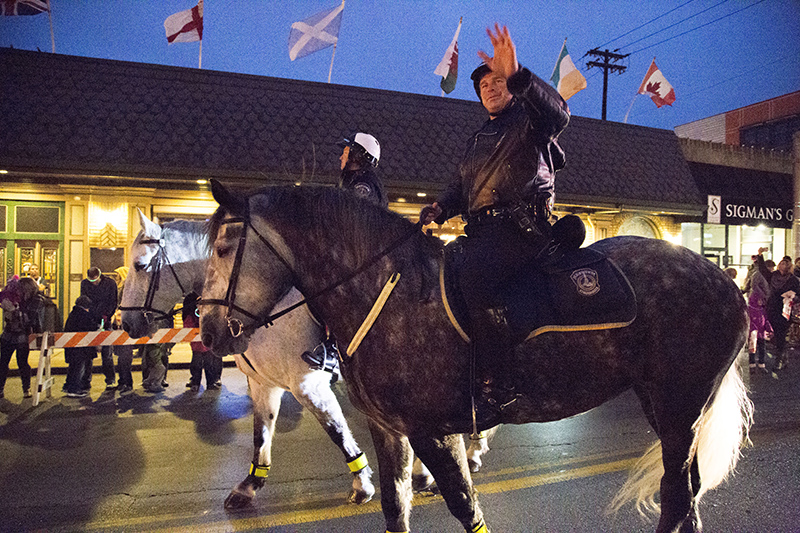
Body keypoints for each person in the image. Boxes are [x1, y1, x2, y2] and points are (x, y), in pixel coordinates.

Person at [420, 24, 570, 413]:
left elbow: (559, 114)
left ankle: (500, 380)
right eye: (483, 83)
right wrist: (440, 208)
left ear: (511, 85)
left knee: (474, 275)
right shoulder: (476, 138)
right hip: (483, 231)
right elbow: (460, 187)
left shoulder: (529, 121)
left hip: (521, 229)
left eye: (497, 79)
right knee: (441, 269)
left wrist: (519, 76)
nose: (489, 86)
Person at [0, 277, 44, 399]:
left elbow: (28, 319)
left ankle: (26, 388)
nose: (18, 292)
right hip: (9, 333)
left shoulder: (36, 300)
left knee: (22, 362)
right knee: (3, 362)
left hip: (22, 335)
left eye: (20, 289)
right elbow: (9, 318)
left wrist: (13, 310)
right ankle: (0, 389)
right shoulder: (18, 298)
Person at [757, 248, 800, 372]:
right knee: (775, 334)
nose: (781, 265)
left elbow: (798, 294)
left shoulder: (792, 280)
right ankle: (783, 356)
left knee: (781, 333)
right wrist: (760, 255)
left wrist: (793, 297)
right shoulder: (773, 276)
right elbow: (763, 270)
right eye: (781, 263)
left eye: (784, 264)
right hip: (772, 307)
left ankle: (779, 359)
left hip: (784, 309)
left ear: (788, 267)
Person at [80, 267, 119, 391]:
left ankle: (110, 380)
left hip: (105, 319)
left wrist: (107, 315)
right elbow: (84, 300)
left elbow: (113, 301)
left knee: (107, 353)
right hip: (90, 320)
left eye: (95, 280)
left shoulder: (110, 283)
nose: (93, 283)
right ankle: (86, 380)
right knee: (88, 353)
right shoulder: (85, 284)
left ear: (100, 276)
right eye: (91, 281)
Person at [182, 292, 222, 392]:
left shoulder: (208, 315)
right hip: (197, 347)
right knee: (196, 365)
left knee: (209, 365)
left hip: (207, 346)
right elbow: (187, 326)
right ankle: (195, 383)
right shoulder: (192, 315)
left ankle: (210, 383)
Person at [63, 295, 100, 397]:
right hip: (81, 349)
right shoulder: (83, 315)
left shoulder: (73, 314)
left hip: (72, 347)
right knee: (79, 368)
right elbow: (91, 327)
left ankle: (68, 385)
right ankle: (74, 389)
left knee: (73, 367)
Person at [337, 132, 387, 208]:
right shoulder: (352, 180)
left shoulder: (364, 185)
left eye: (345, 153)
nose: (341, 157)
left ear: (356, 156)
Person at [747, 270, 772, 373]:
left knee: (760, 348)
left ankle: (760, 364)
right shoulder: (753, 309)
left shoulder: (760, 309)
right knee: (754, 348)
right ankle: (753, 365)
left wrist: (768, 328)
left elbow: (765, 319)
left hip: (759, 332)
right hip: (756, 331)